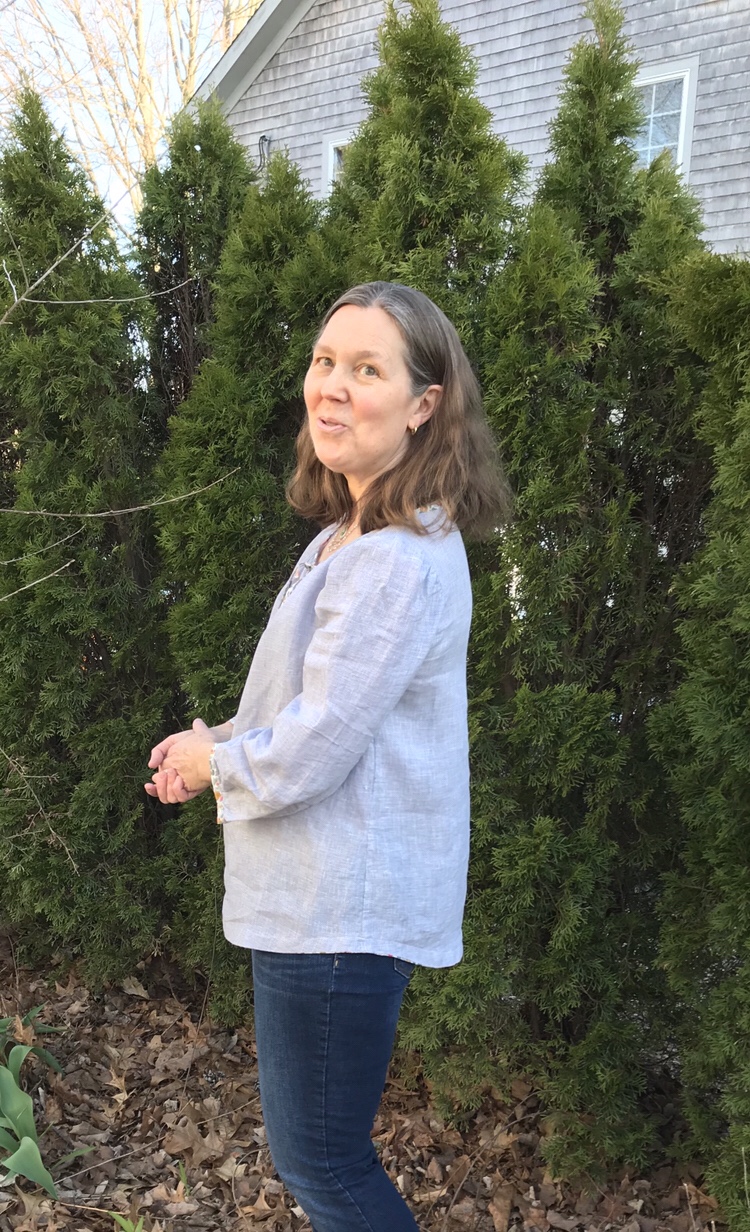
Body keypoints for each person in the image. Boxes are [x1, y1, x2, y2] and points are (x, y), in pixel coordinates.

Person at [144, 281, 511, 1232]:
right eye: (324, 361)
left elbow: (315, 748)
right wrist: (215, 742)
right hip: (323, 900)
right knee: (321, 1158)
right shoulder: (351, 536)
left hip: (340, 911)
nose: (333, 386)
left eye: (367, 369)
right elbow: (309, 708)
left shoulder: (393, 558)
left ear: (424, 405)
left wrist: (215, 767)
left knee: (325, 1164)